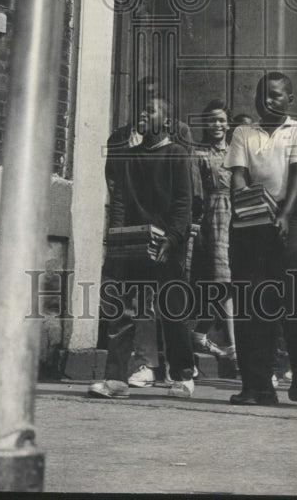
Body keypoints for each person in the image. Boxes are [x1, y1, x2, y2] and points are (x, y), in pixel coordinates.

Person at [89, 96, 197, 399]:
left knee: (172, 310)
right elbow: (120, 199)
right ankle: (116, 379)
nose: (142, 113)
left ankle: (183, 376)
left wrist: (172, 239)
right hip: (132, 243)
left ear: (165, 122)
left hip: (167, 245)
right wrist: (118, 237)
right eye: (141, 109)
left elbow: (183, 203)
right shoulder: (130, 155)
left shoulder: (177, 154)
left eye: (150, 111)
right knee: (122, 309)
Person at [226, 72, 297, 405]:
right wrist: (250, 207)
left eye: (276, 95)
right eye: (263, 94)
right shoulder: (243, 133)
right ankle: (257, 386)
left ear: (290, 100)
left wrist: (282, 214)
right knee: (250, 303)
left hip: (290, 216)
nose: (268, 100)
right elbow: (238, 175)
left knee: (291, 298)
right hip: (250, 219)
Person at [190, 100, 236, 362]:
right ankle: (234, 347)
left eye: (221, 120)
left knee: (229, 284)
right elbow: (195, 190)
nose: (217, 125)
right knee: (220, 283)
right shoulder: (199, 154)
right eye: (211, 120)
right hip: (211, 217)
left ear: (228, 123)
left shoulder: (236, 152)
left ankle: (200, 333)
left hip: (235, 215)